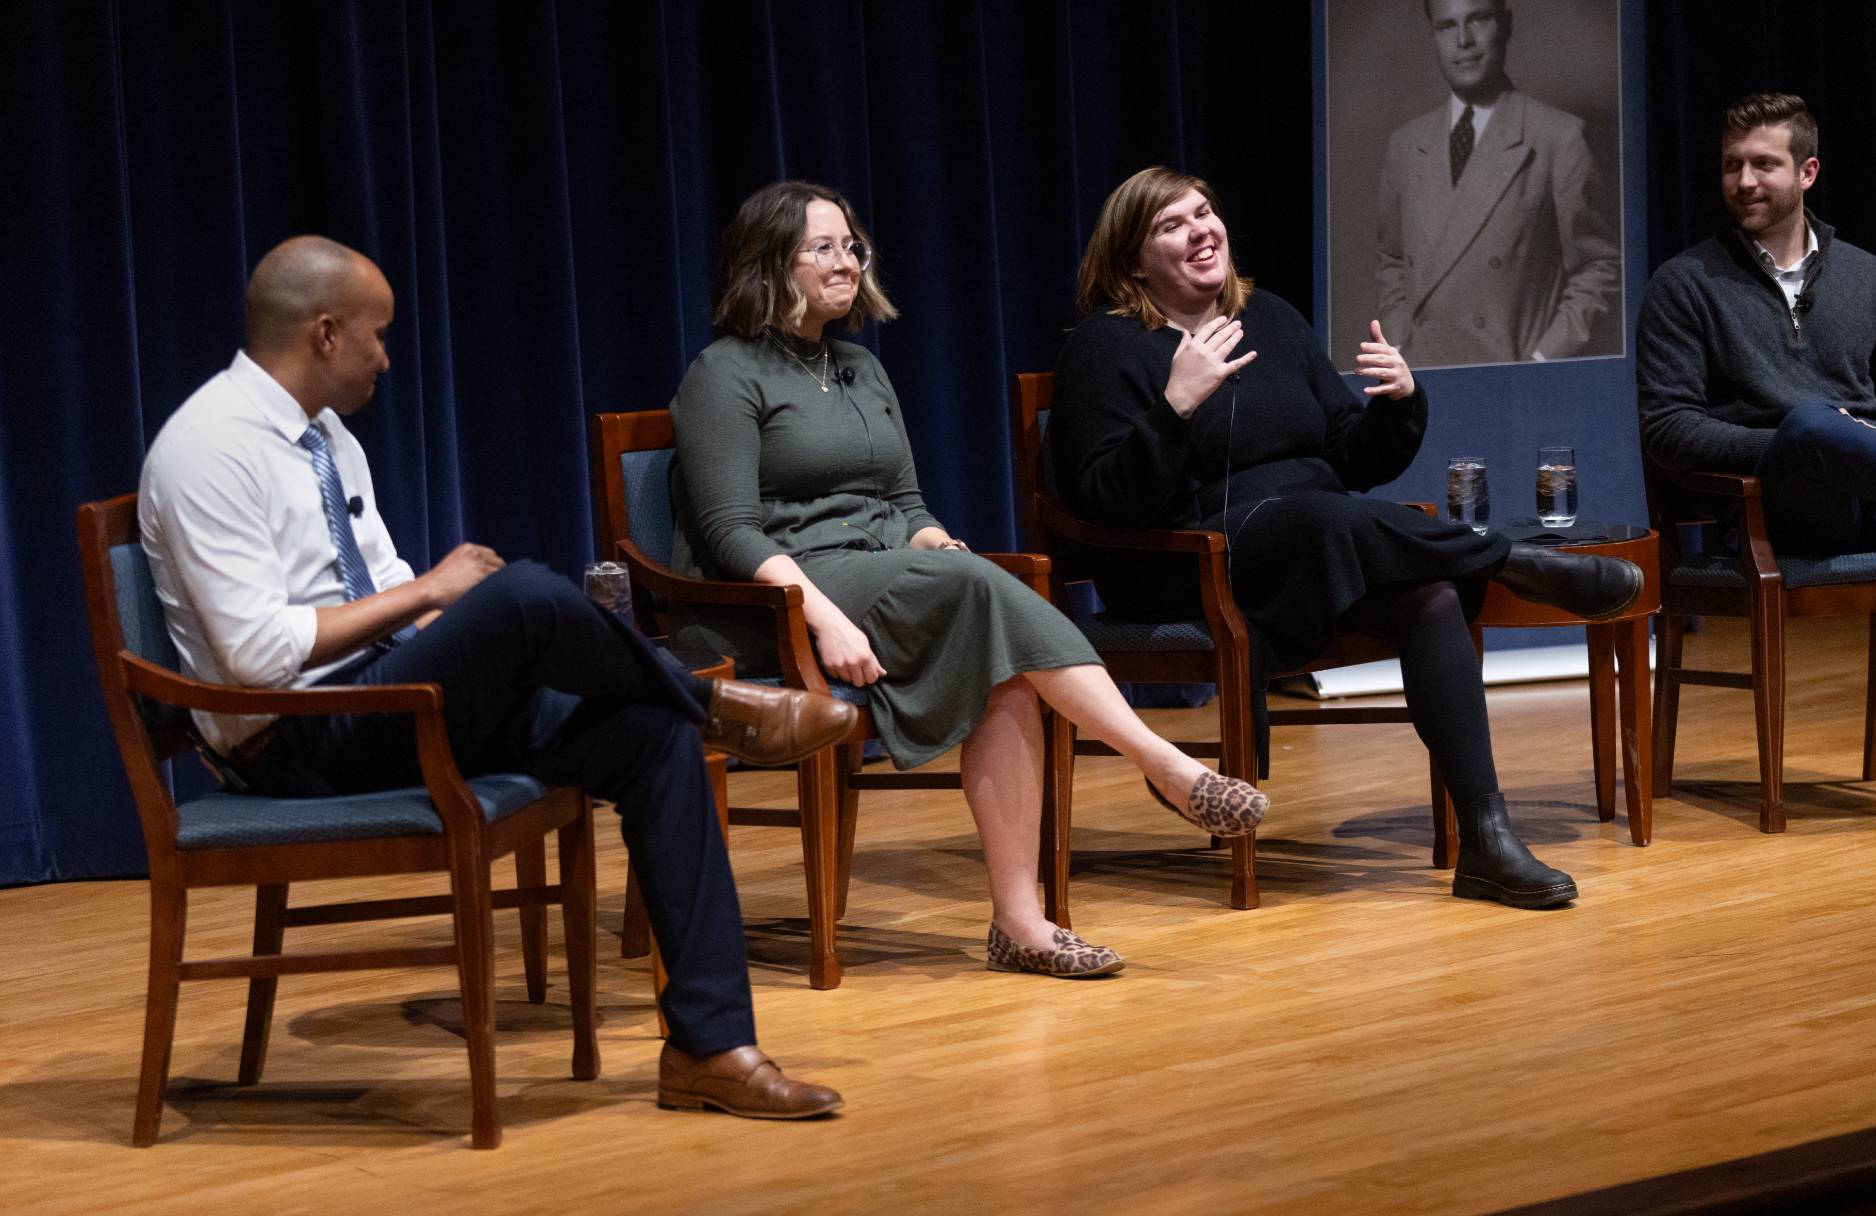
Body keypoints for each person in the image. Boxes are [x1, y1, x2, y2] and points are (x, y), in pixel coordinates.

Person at [139, 236, 858, 1119]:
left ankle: (712, 1050)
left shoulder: (325, 438)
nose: (387, 357)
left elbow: (384, 582)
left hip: (385, 698)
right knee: (517, 592)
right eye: (376, 335)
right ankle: (717, 702)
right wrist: (439, 595)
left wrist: (445, 622)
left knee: (650, 738)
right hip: (294, 738)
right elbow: (254, 658)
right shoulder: (209, 449)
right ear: (324, 333)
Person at [668, 181, 1269, 976]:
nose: (846, 260)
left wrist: (934, 539)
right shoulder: (725, 373)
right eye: (823, 247)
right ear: (770, 263)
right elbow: (728, 529)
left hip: (884, 575)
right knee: (983, 591)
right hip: (775, 595)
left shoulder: (857, 370)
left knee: (1003, 664)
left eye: (852, 245)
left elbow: (905, 501)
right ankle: (1165, 764)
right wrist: (824, 618)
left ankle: (1020, 925)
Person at [1051, 166, 1645, 908]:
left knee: (1429, 595)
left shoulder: (1269, 317)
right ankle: (1513, 563)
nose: (1202, 230)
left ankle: (1488, 841)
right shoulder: (1105, 349)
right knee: (1316, 513)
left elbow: (1350, 457)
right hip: (1192, 566)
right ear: (1134, 260)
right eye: (1172, 225)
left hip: (1312, 554)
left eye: (1205, 212)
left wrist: (1400, 402)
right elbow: (1103, 501)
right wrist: (1174, 406)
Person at [1637, 92, 1876, 837]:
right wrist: (1790, 443)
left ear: (1807, 172)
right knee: (1809, 424)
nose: (1744, 180)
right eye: (1732, 165)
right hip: (1780, 502)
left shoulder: (1867, 276)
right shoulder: (1685, 284)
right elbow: (1668, 428)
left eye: (1763, 164)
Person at [1376, 0, 1619, 367]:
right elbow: (1392, 261)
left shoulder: (1560, 137)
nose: (1463, 40)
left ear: (1505, 25)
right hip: (1422, 380)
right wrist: (1400, 348)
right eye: (1447, 26)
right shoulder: (1405, 145)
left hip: (1512, 387)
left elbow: (1598, 268)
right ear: (1433, 37)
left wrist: (1540, 361)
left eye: (1478, 20)